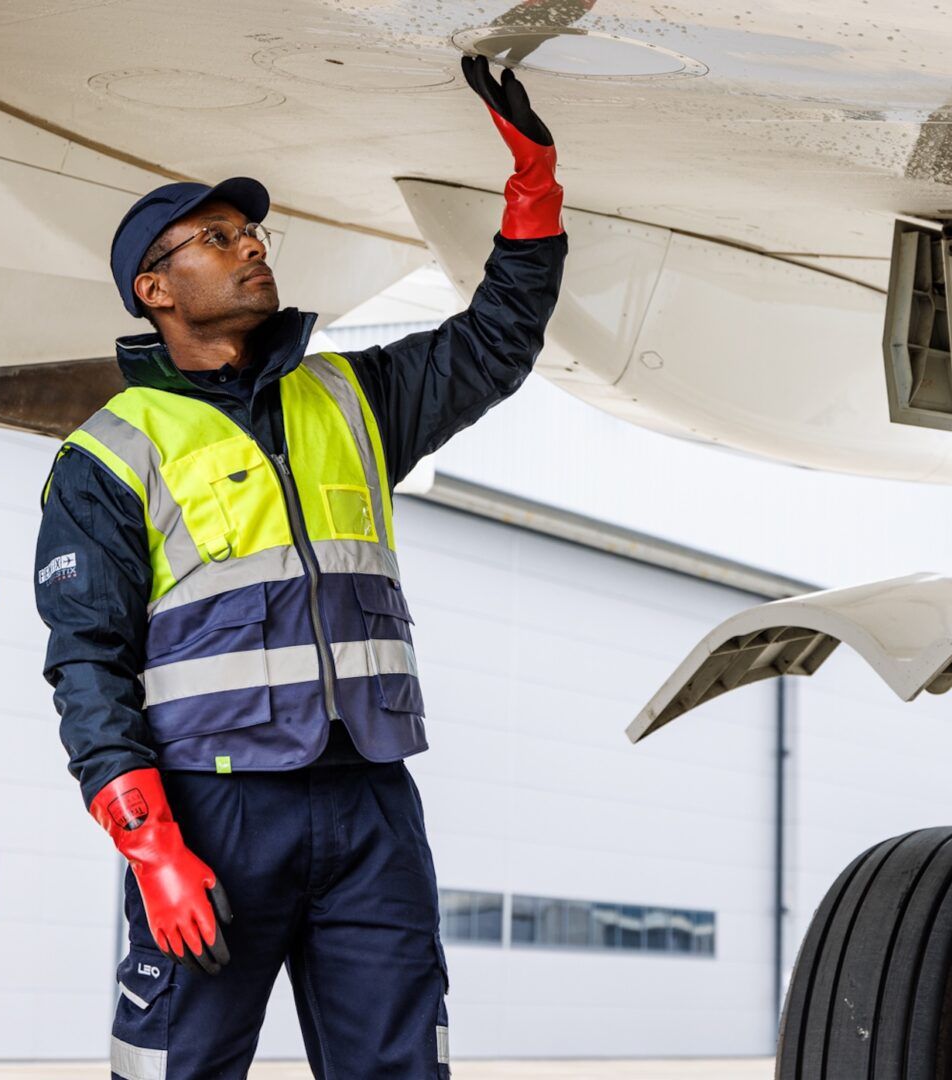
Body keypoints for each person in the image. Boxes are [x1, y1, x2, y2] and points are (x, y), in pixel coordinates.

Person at [32, 56, 565, 1080]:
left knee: (402, 1069)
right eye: (218, 238)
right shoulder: (109, 451)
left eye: (253, 232)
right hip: (211, 815)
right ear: (156, 289)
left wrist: (533, 191)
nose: (250, 249)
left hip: (371, 801)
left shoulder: (353, 398)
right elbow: (86, 666)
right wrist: (152, 846)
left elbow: (497, 341)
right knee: (175, 1070)